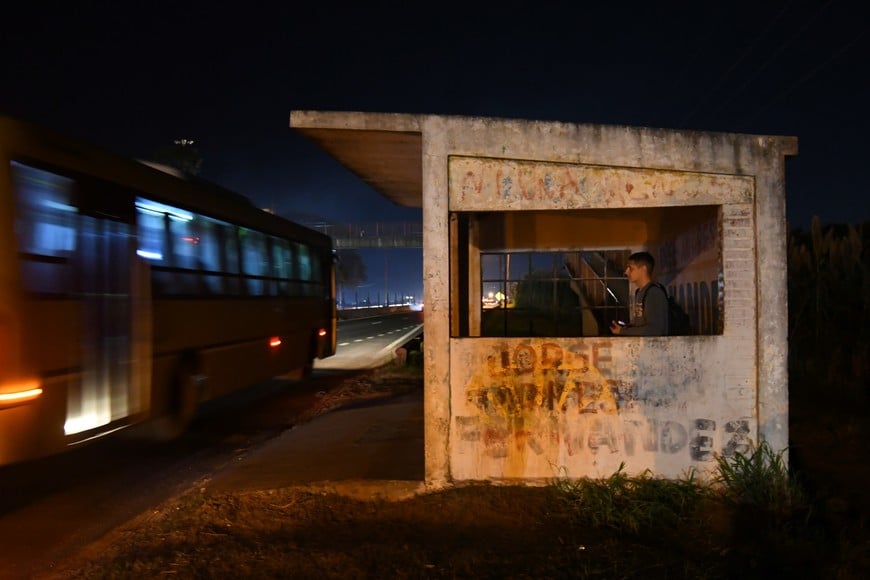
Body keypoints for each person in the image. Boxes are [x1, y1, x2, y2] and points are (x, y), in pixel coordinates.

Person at [610, 251, 668, 336]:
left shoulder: (653, 293)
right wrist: (626, 328)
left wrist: (623, 331)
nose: (626, 272)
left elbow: (655, 330)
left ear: (643, 269)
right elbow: (641, 325)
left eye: (631, 268)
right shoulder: (640, 292)